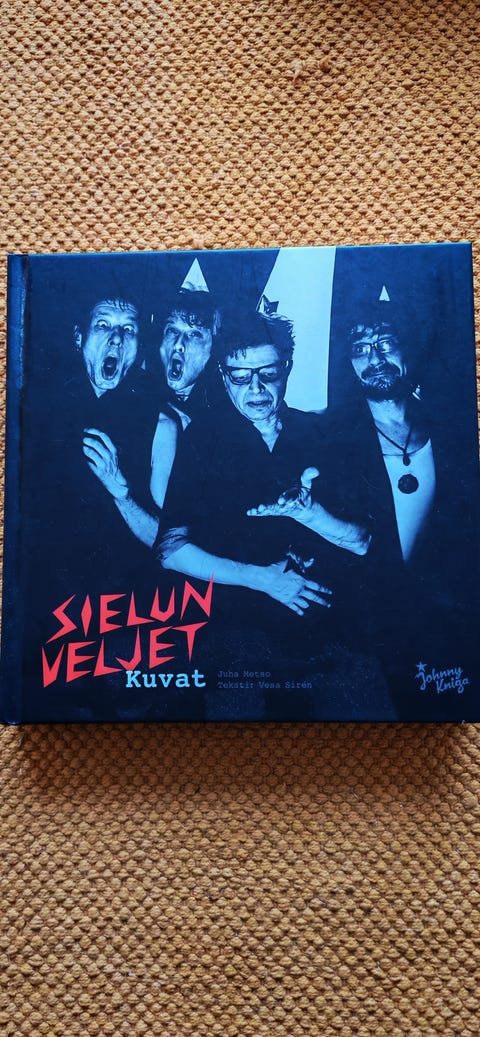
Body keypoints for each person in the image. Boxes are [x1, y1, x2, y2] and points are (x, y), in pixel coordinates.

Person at [155, 311, 380, 717]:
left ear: (287, 367)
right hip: (236, 644)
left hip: (332, 639)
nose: (256, 388)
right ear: (224, 377)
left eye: (268, 373)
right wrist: (263, 579)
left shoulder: (323, 434)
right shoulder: (203, 440)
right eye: (241, 377)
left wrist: (311, 514)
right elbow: (170, 550)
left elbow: (363, 542)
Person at [83, 288, 221, 546]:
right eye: (172, 331)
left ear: (215, 349)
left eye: (194, 334)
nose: (179, 344)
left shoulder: (214, 422)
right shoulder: (141, 396)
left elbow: (174, 536)